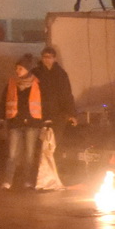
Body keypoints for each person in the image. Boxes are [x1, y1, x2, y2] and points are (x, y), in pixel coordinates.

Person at [32, 47, 76, 190]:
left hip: (58, 116)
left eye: (49, 57)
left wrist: (71, 114)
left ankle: (56, 177)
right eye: (44, 57)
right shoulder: (36, 73)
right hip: (39, 116)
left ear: (54, 58)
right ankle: (39, 178)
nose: (47, 60)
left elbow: (67, 94)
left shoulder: (61, 74)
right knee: (40, 147)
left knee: (55, 146)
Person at [1, 56, 42, 189]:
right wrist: (1, 117)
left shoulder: (37, 83)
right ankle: (7, 181)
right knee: (12, 154)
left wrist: (45, 121)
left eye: (20, 68)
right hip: (15, 122)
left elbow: (44, 103)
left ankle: (28, 181)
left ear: (27, 69)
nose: (17, 71)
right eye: (16, 68)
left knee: (29, 155)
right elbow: (4, 100)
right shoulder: (12, 83)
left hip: (32, 123)